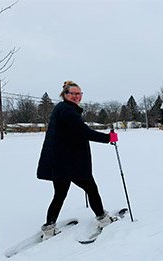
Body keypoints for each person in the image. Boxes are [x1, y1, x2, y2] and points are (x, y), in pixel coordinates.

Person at [36, 80, 118, 240]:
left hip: (60, 160)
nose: (76, 96)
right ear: (65, 95)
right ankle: (102, 218)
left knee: (60, 193)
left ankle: (49, 227)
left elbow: (73, 133)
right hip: (70, 162)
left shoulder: (63, 109)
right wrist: (109, 138)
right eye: (72, 93)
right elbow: (84, 132)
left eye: (78, 93)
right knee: (91, 188)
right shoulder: (67, 111)